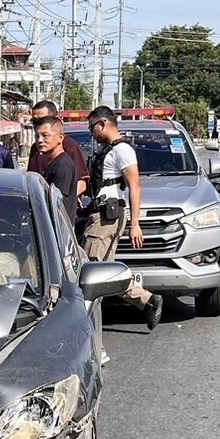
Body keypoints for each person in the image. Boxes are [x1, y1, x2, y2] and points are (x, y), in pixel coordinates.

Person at [84, 105, 162, 329]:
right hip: (102, 214)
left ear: (103, 124)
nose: (92, 133)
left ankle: (87, 327)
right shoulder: (109, 149)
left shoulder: (122, 150)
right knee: (105, 273)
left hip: (106, 219)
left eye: (92, 128)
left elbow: (134, 186)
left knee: (89, 274)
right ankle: (147, 301)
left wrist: (135, 224)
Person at [26, 100, 88, 199]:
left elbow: (81, 182)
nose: (38, 124)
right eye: (34, 121)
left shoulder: (69, 147)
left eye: (42, 120)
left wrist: (68, 200)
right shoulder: (36, 147)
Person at [34, 116, 80, 222]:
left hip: (59, 229)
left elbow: (56, 203)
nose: (40, 140)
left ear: (60, 138)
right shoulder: (53, 163)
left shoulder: (62, 166)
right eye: (37, 136)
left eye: (45, 136)